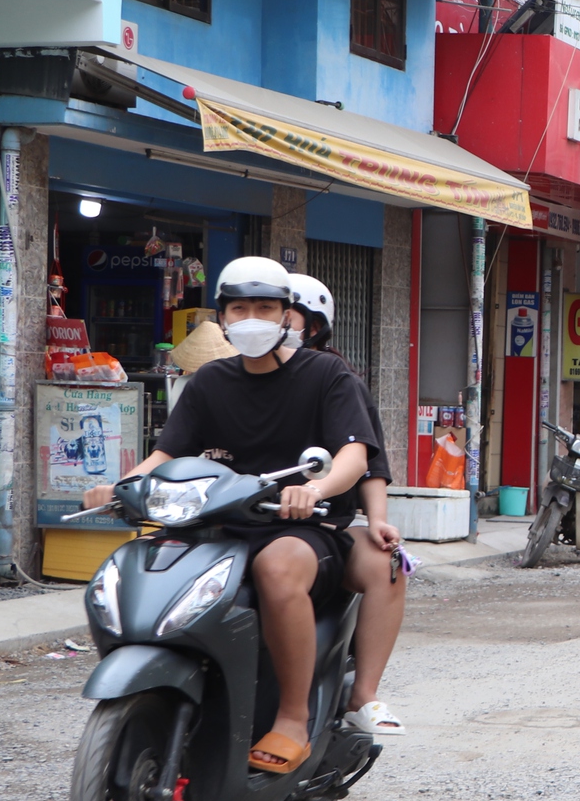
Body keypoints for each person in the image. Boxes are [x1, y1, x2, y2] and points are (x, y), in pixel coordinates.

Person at [83, 257, 378, 774]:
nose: (252, 318)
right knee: (146, 567)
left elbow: (355, 455)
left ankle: (291, 717)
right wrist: (121, 486)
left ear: (288, 316)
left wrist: (316, 488)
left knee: (278, 567)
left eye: (265, 307)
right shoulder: (208, 382)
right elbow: (166, 456)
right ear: (222, 317)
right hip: (217, 527)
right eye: (239, 308)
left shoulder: (327, 375)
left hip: (300, 528)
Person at [285, 275, 406, 738]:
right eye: (243, 310)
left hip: (319, 527)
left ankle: (363, 694)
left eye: (280, 313)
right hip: (237, 524)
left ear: (311, 326)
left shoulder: (336, 381)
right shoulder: (227, 375)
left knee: (388, 562)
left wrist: (377, 520)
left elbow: (366, 459)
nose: (263, 323)